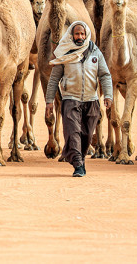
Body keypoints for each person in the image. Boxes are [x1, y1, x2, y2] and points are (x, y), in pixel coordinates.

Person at [45, 21, 113, 177]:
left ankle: (80, 159)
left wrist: (108, 95)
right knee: (73, 132)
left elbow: (104, 75)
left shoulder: (95, 53)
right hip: (70, 99)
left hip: (91, 100)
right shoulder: (65, 52)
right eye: (77, 34)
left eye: (82, 34)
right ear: (72, 35)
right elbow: (54, 79)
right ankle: (78, 164)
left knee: (87, 135)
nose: (80, 37)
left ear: (86, 34)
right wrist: (49, 101)